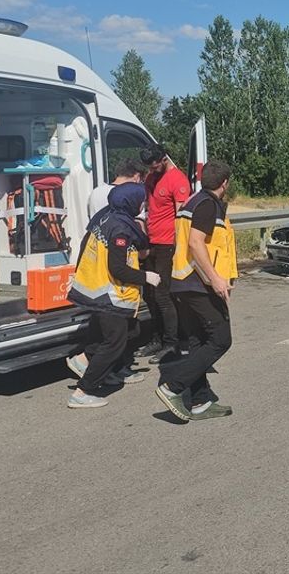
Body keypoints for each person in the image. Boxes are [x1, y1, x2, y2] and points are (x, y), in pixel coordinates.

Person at [154, 160, 236, 422]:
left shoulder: (191, 201)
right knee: (221, 339)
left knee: (198, 341)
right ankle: (173, 386)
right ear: (225, 183)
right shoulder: (207, 205)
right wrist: (215, 279)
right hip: (198, 283)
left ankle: (200, 400)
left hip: (181, 282)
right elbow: (196, 242)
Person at [64, 182, 158, 408]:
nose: (143, 205)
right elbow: (118, 268)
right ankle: (83, 391)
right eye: (141, 201)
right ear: (131, 202)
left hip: (98, 291)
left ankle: (85, 360)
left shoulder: (107, 217)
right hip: (109, 293)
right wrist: (146, 277)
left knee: (127, 331)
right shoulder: (120, 229)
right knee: (114, 342)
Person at [139, 143, 190, 363]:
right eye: (149, 165)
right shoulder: (151, 177)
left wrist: (180, 248)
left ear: (163, 158)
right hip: (151, 241)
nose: (152, 168)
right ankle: (157, 338)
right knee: (149, 294)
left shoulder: (177, 179)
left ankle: (172, 344)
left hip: (168, 243)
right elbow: (148, 207)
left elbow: (181, 216)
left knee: (163, 295)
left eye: (155, 164)